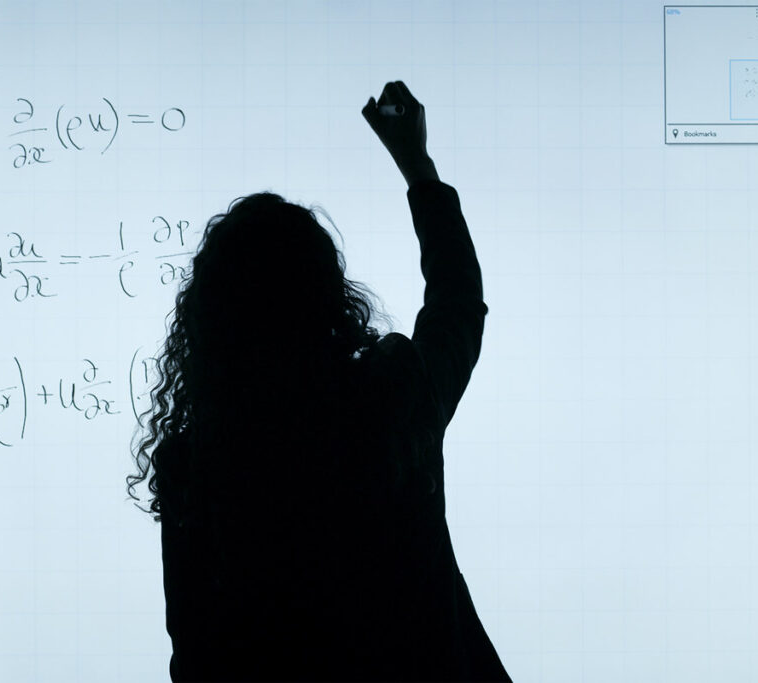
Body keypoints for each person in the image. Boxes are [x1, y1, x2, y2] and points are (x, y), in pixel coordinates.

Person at [127, 81, 512, 682]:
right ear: (329, 300)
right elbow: (457, 306)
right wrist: (417, 166)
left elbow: (196, 655)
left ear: (209, 322)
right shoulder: (390, 401)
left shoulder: (196, 468)